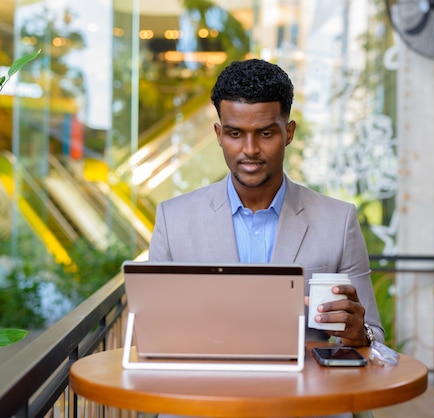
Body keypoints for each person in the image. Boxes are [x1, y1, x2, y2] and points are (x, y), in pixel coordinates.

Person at [148, 58, 384, 348]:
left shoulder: (339, 221)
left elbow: (374, 336)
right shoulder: (173, 221)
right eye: (235, 134)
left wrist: (360, 334)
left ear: (289, 133)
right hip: (208, 389)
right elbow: (151, 332)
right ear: (219, 136)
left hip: (302, 390)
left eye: (266, 133)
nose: (250, 150)